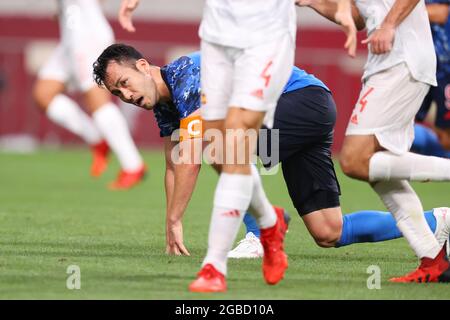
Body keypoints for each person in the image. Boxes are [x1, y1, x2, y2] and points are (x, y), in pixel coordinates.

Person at [93, 45, 450, 281]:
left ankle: (259, 233)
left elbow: (191, 153)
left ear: (142, 65)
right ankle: (439, 220)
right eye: (117, 93)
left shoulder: (187, 71)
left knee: (219, 143)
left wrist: (175, 219)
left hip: (301, 100)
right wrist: (171, 223)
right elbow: (175, 162)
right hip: (308, 110)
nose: (126, 96)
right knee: (329, 231)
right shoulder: (163, 105)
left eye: (124, 83)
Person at [303, 0, 450, 283]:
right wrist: (315, 4)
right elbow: (358, 17)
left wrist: (389, 25)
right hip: (387, 62)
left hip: (401, 59)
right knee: (378, 168)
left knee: (354, 160)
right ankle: (433, 260)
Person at [33, 0, 146, 190]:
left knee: (96, 100)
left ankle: (133, 165)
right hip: (70, 34)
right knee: (43, 94)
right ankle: (97, 140)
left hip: (87, 36)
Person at [412, 0, 450, 155]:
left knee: (446, 136)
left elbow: (442, 12)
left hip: (445, 66)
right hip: (418, 62)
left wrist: (397, 16)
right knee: (401, 124)